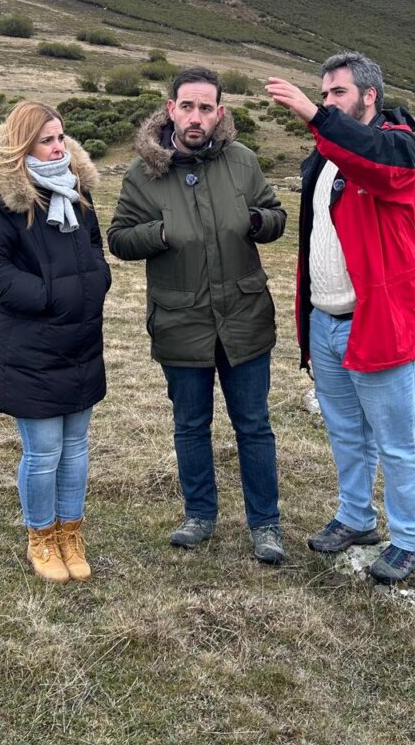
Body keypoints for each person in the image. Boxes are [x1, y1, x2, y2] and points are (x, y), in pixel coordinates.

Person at [108, 66, 288, 563]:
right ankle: (199, 515)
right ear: (171, 110)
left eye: (205, 108)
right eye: (187, 106)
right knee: (190, 424)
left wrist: (258, 220)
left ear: (219, 113)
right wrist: (161, 234)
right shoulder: (142, 173)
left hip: (244, 318)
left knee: (254, 425)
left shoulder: (242, 160)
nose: (195, 116)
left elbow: (275, 215)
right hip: (180, 321)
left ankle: (266, 524)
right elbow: (119, 238)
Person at [266, 52, 415, 582]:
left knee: (397, 440)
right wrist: (324, 127)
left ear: (369, 95)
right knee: (344, 431)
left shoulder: (399, 148)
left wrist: (316, 117)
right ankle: (356, 517)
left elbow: (377, 161)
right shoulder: (324, 155)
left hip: (379, 320)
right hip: (326, 319)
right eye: (323, 94)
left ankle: (408, 539)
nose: (328, 101)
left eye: (338, 92)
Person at [0, 101, 111, 584]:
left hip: (81, 340)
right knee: (44, 450)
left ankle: (71, 533)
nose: (58, 147)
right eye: (47, 140)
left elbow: (94, 247)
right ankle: (41, 536)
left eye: (61, 137)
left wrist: (95, 281)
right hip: (31, 346)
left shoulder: (78, 189)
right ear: (23, 145)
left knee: (76, 447)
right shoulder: (3, 198)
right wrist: (49, 296)